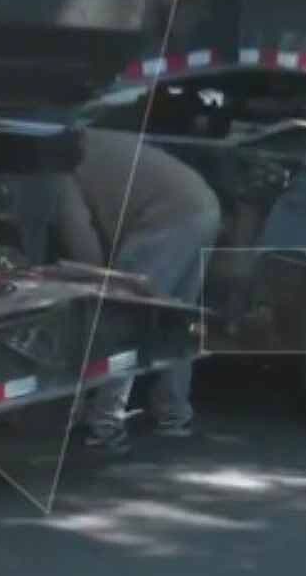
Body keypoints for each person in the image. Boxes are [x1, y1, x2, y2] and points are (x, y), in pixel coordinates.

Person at [55, 126, 220, 452]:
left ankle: (105, 425)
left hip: (164, 217)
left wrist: (88, 283)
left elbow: (86, 250)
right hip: (203, 205)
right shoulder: (95, 138)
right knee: (176, 318)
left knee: (123, 318)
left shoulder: (60, 171)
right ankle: (174, 415)